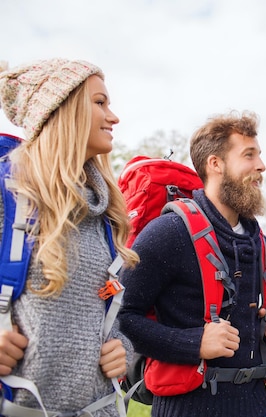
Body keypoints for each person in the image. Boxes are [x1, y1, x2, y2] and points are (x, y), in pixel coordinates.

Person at [118, 110, 266, 417]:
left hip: (258, 406)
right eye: (249, 155)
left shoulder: (257, 239)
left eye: (259, 155)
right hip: (188, 408)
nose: (261, 166)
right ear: (216, 164)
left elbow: (237, 317)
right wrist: (193, 342)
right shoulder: (167, 233)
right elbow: (120, 318)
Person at [0, 58, 139, 415]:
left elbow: (113, 314)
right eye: (99, 102)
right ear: (60, 109)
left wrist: (122, 347)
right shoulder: (9, 197)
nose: (114, 117)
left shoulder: (105, 214)